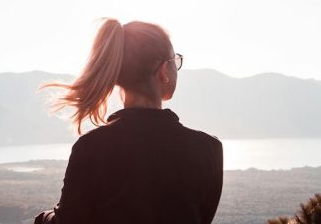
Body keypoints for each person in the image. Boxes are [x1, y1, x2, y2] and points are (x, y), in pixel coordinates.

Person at [35, 18, 223, 224]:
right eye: (174, 61)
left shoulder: (91, 148)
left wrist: (44, 218)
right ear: (163, 71)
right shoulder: (208, 149)